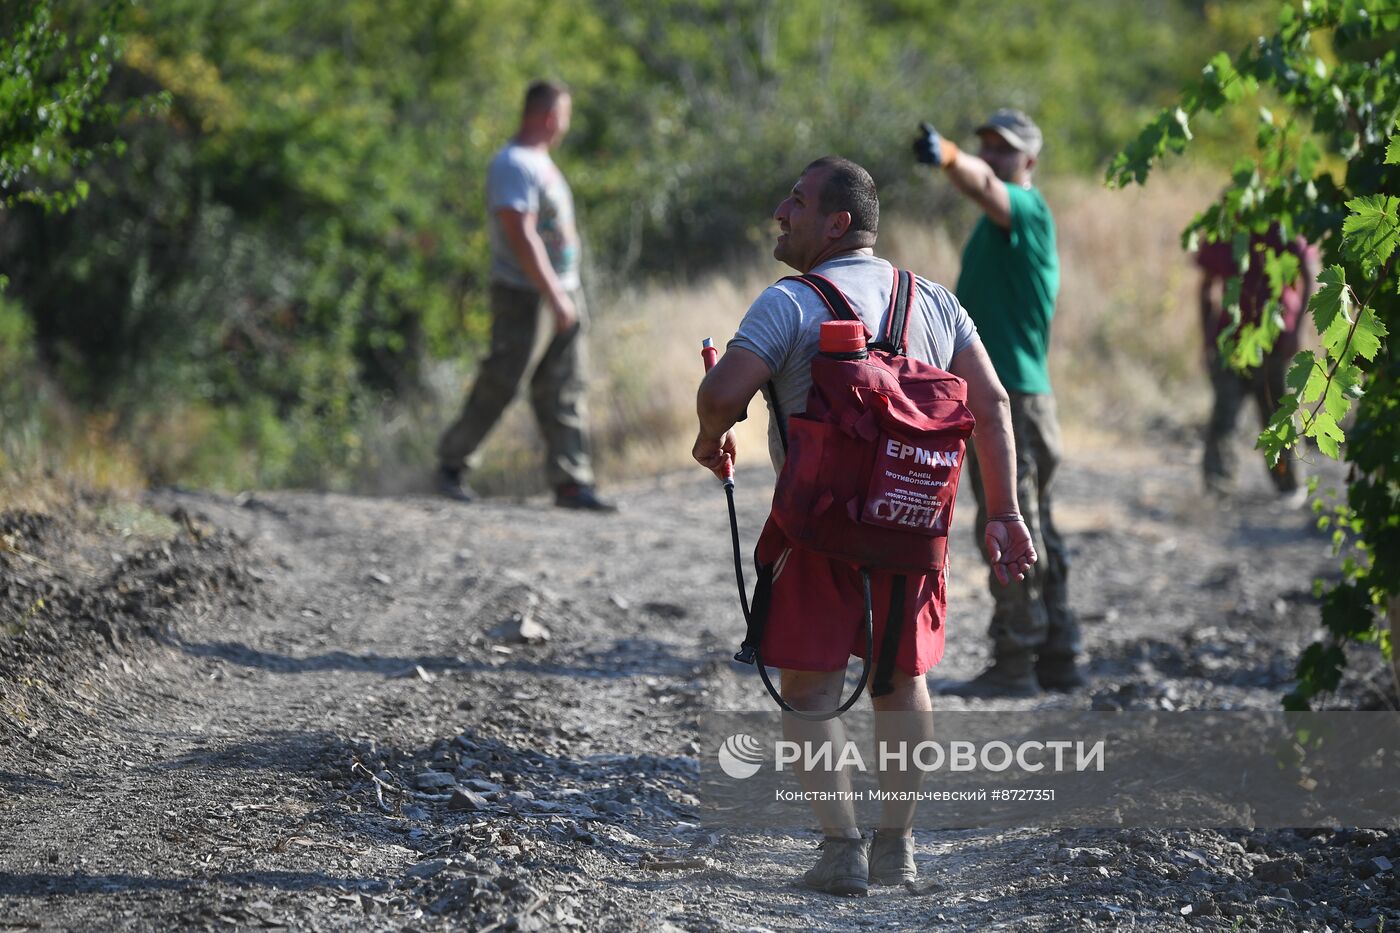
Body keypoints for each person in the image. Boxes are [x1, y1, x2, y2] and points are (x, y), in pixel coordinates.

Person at [694, 157, 1035, 896]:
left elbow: (724, 390)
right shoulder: (935, 301)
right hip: (911, 526)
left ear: (836, 222)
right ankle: (898, 847)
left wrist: (707, 433)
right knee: (901, 682)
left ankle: (840, 848)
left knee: (812, 690)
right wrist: (1002, 512)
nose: (781, 209)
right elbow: (996, 405)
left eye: (797, 199)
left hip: (815, 531)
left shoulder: (790, 302)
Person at [913, 109, 1082, 698]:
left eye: (1004, 150)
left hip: (1012, 401)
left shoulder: (1025, 209)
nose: (992, 156)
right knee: (1041, 526)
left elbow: (986, 186)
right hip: (1029, 399)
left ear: (1030, 161)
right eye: (986, 146)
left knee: (1009, 522)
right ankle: (1059, 655)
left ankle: (1015, 662)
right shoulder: (996, 225)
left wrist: (952, 156)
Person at [435, 79, 615, 511]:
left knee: (564, 387)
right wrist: (553, 294)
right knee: (503, 380)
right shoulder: (512, 163)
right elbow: (520, 230)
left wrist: (563, 293)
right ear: (550, 116)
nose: (565, 125)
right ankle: (450, 466)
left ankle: (572, 483)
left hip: (561, 292)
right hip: (525, 295)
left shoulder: (539, 162)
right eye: (565, 116)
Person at [1195, 228, 1318, 501]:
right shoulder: (1227, 229)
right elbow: (1206, 286)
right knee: (1224, 417)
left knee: (1280, 416)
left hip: (1277, 342)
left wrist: (1298, 331)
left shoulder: (1285, 224)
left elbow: (1309, 274)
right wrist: (1207, 339)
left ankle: (1289, 485)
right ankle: (1217, 487)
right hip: (1232, 344)